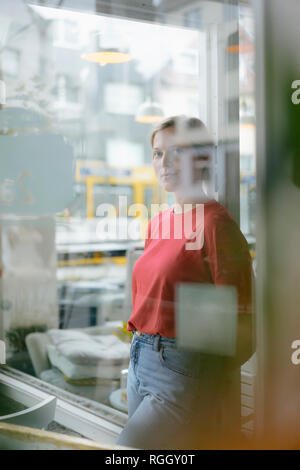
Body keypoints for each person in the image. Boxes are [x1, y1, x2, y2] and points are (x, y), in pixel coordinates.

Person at [116, 116, 254, 449]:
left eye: (176, 152)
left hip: (179, 367)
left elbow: (242, 326)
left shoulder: (216, 224)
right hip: (140, 356)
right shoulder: (161, 223)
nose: (164, 163)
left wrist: (202, 380)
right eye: (157, 153)